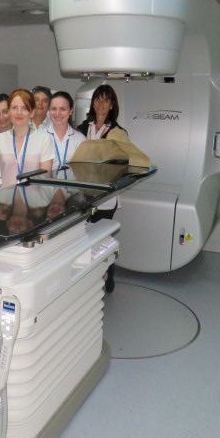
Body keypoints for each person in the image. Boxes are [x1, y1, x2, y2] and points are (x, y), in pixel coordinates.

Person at [75, 84, 126, 294]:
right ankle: (91, 280)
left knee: (102, 240)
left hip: (105, 197)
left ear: (112, 104)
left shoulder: (118, 132)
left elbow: (122, 164)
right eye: (98, 99)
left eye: (106, 100)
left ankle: (108, 275)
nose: (101, 104)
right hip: (82, 196)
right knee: (85, 240)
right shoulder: (81, 128)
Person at [0, 89, 53, 187]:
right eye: (14, 108)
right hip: (5, 199)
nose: (19, 113)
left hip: (34, 200)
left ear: (32, 112)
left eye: (24, 108)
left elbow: (45, 179)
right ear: (8, 111)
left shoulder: (44, 139)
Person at [46, 91, 85, 174]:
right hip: (47, 186)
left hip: (72, 186)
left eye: (62, 109)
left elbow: (84, 171)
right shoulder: (40, 136)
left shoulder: (80, 139)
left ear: (71, 111)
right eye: (53, 109)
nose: (57, 113)